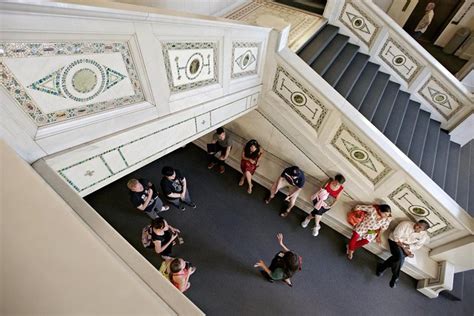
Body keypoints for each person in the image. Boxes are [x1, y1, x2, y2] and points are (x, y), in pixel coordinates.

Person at [376, 220, 430, 288]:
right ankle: (395, 276)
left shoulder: (423, 236)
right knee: (400, 257)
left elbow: (417, 246)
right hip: (394, 241)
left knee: (398, 257)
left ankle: (382, 268)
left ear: (423, 230)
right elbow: (396, 237)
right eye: (417, 224)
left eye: (420, 227)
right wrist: (405, 250)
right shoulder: (405, 224)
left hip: (406, 246)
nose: (416, 226)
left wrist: (408, 248)